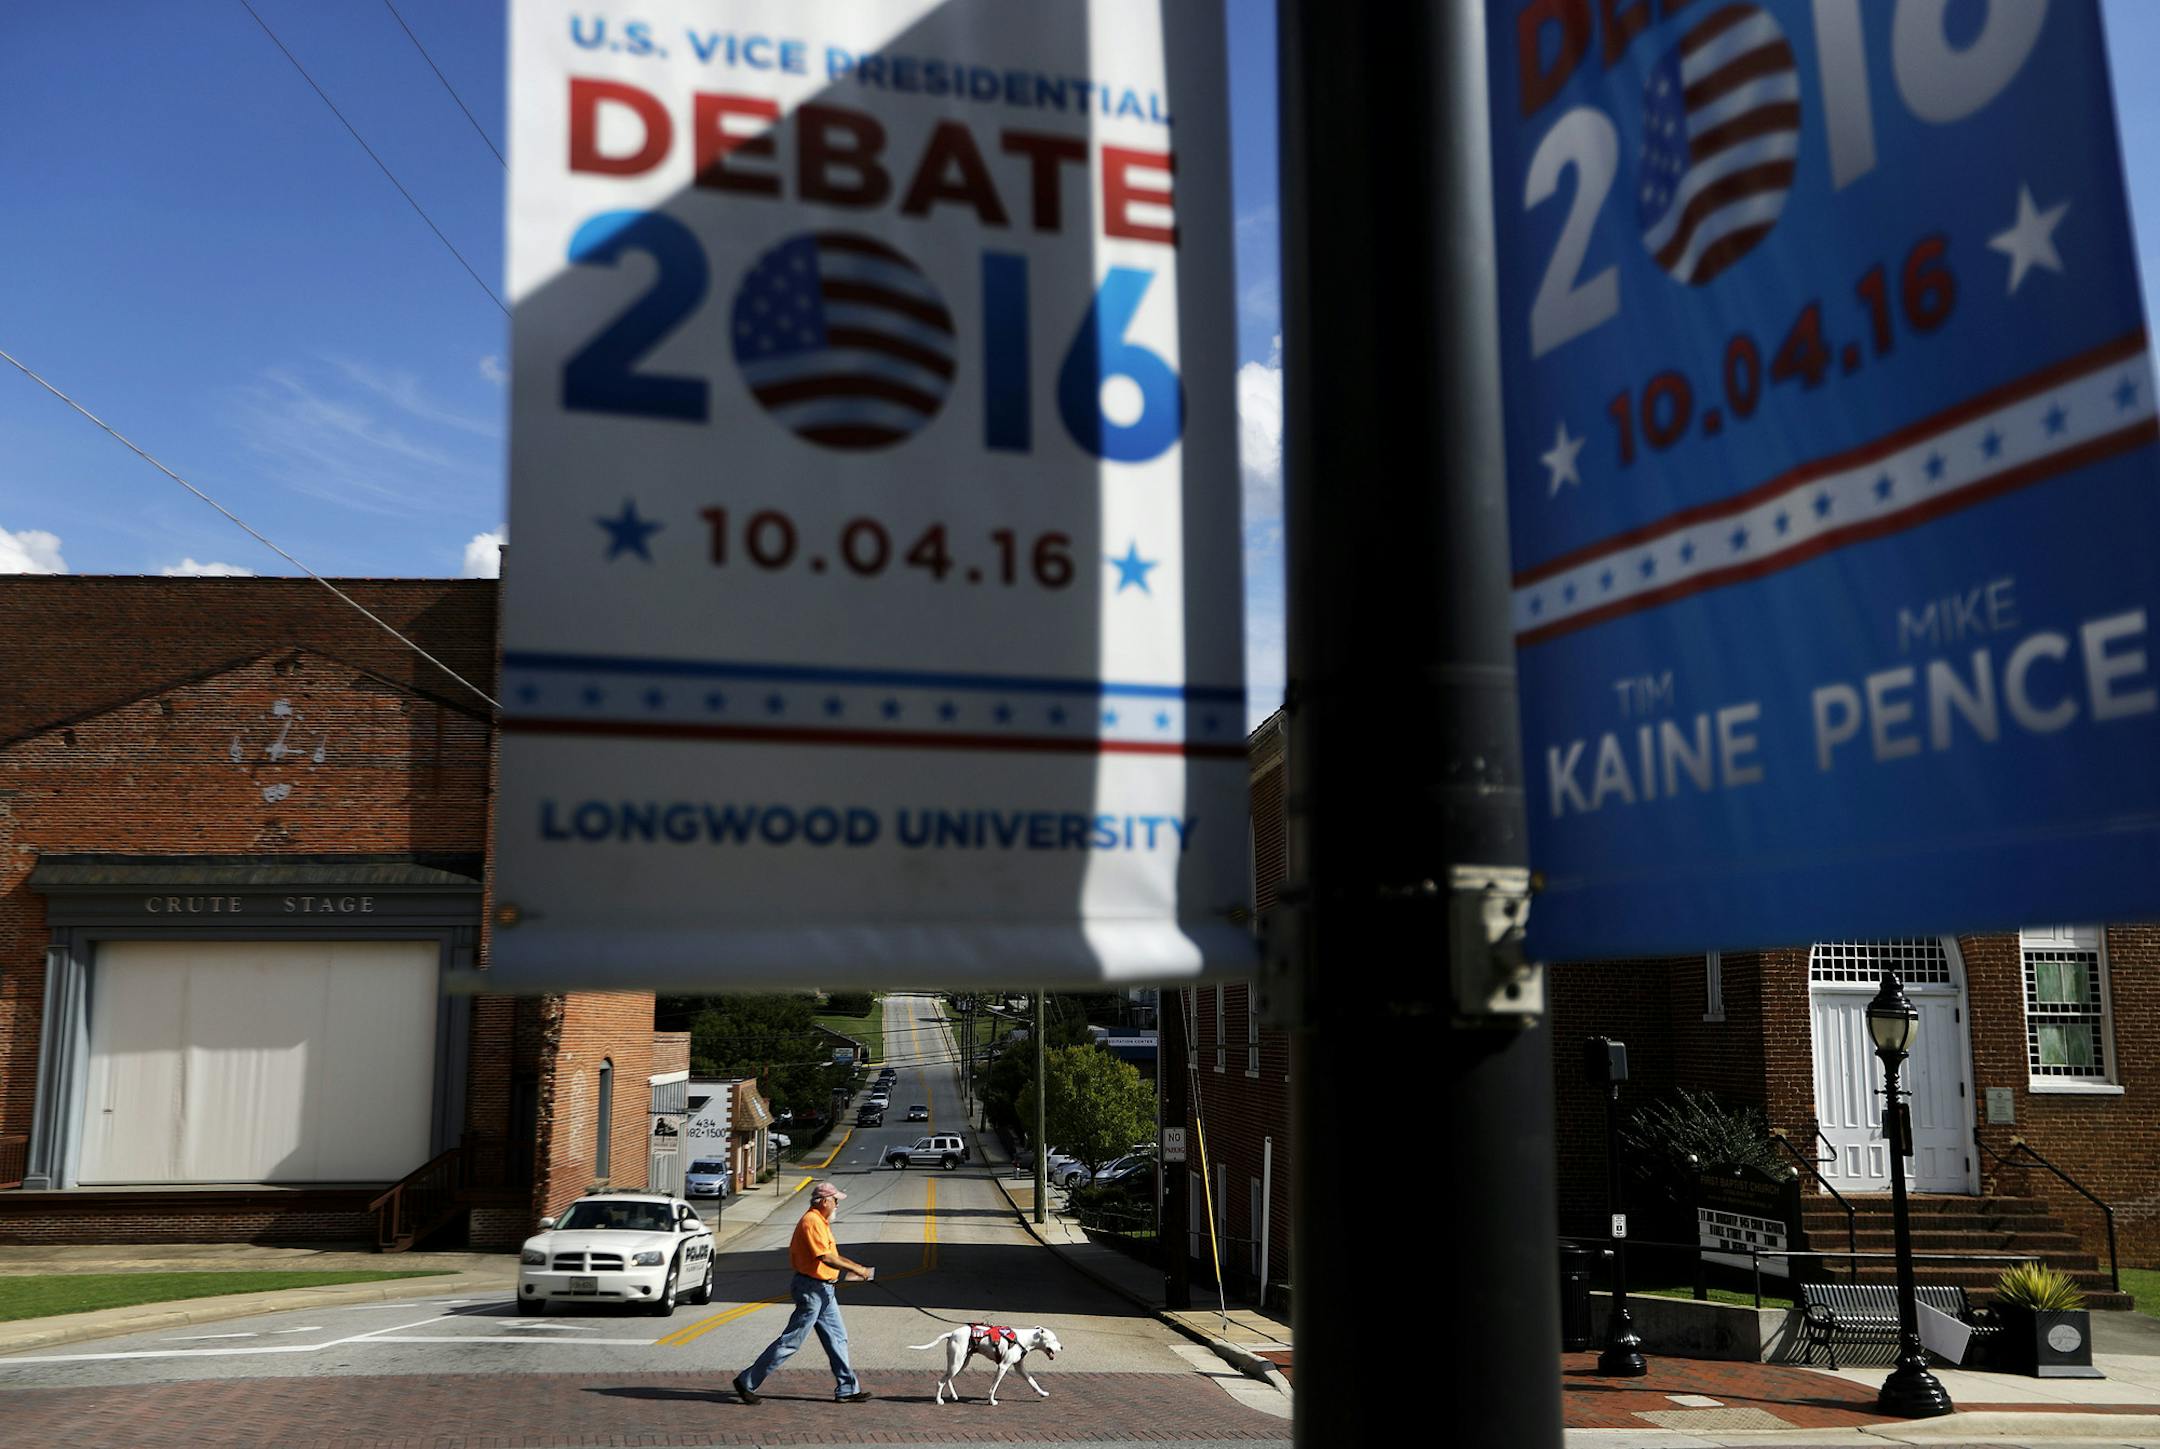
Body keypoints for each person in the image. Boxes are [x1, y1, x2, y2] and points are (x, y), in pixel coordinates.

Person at [732, 1180, 874, 1403]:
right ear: (824, 1201)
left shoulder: (821, 1221)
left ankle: (847, 1388)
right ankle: (746, 1382)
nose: (837, 1205)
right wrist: (858, 1268)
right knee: (792, 1341)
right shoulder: (811, 1222)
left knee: (838, 1338)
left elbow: (832, 1257)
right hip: (812, 1289)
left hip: (824, 1290)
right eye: (835, 1201)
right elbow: (825, 1257)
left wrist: (858, 1269)